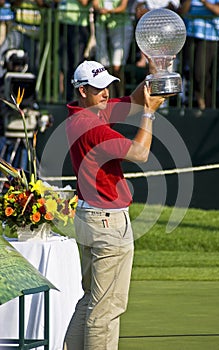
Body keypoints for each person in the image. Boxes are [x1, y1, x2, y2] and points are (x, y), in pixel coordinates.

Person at [63, 59, 168, 349]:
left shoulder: (84, 111)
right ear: (82, 90)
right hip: (107, 223)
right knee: (106, 310)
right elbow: (140, 152)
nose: (106, 92)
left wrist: (155, 75)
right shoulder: (92, 127)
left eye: (107, 85)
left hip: (90, 219)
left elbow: (133, 101)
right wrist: (149, 116)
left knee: (91, 302)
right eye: (99, 89)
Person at [178, 0, 219, 109]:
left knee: (201, 73)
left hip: (209, 38)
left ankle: (205, 103)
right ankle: (201, 102)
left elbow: (218, 11)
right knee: (193, 72)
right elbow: (183, 11)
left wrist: (204, 2)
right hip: (191, 35)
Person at [92, 0, 135, 97]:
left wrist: (110, 11)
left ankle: (121, 99)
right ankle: (108, 98)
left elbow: (123, 6)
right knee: (104, 67)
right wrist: (101, 10)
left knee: (117, 68)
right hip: (103, 26)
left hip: (121, 28)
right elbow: (95, 4)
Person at [57, 0, 93, 101]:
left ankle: (77, 97)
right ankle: (67, 97)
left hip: (79, 26)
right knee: (65, 65)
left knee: (77, 65)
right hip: (63, 24)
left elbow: (84, 2)